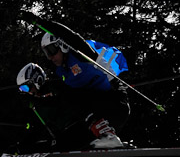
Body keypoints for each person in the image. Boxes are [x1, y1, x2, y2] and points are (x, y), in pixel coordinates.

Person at [19, 11, 130, 149]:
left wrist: (38, 21)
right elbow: (62, 101)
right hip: (99, 115)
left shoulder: (81, 54)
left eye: (52, 50)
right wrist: (36, 100)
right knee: (68, 139)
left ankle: (108, 136)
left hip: (114, 102)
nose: (50, 57)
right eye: (46, 53)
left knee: (72, 96)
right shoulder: (62, 73)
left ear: (63, 45)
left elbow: (69, 35)